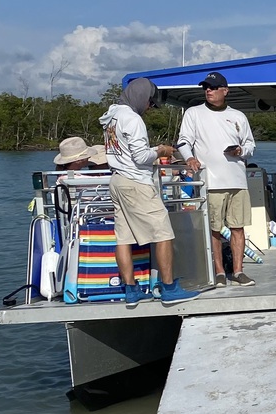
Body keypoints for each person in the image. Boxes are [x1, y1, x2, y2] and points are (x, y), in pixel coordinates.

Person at [99, 78, 200, 305]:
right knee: (164, 232)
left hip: (117, 181)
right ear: (142, 96)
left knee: (123, 238)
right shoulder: (133, 119)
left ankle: (131, 290)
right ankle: (169, 287)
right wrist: (161, 150)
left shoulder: (111, 116)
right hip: (136, 183)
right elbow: (141, 156)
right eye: (150, 103)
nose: (149, 108)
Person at [177, 71, 257, 288]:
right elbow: (183, 141)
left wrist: (240, 150)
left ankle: (238, 271)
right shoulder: (193, 113)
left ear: (225, 90)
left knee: (238, 227)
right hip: (211, 182)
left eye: (212, 87)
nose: (208, 91)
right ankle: (219, 272)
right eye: (206, 88)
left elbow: (251, 146)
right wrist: (190, 158)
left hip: (237, 181)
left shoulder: (239, 116)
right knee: (213, 228)